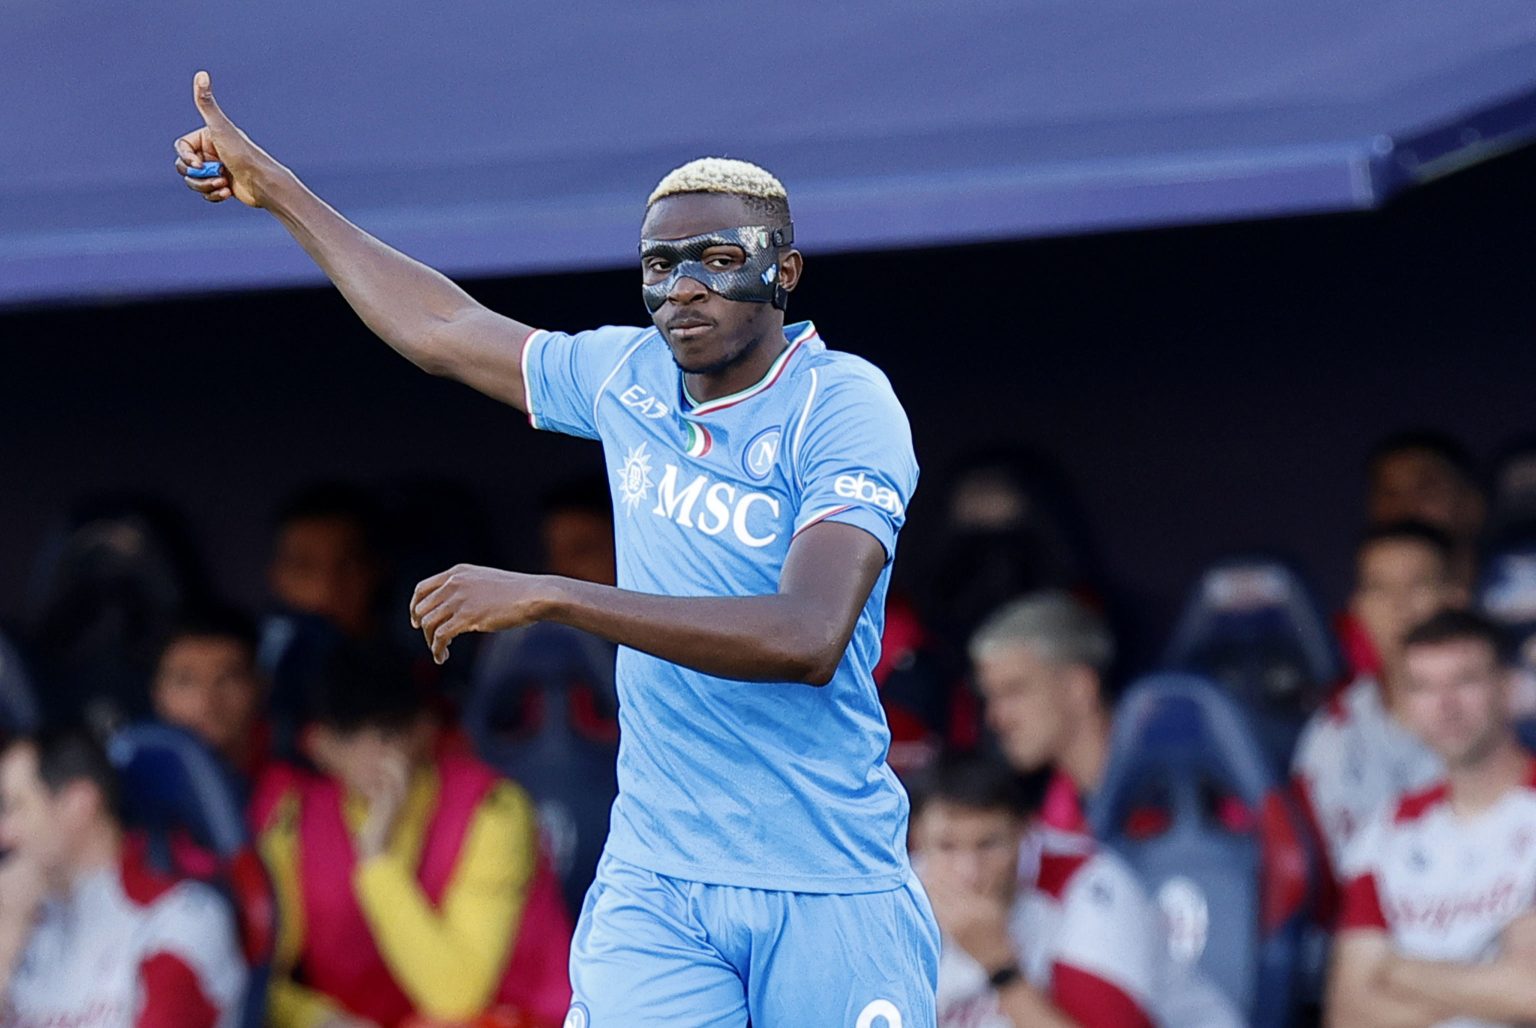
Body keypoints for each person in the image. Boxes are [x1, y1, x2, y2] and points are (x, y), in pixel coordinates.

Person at [177, 73, 936, 1026]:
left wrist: (557, 597)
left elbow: (808, 635)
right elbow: (444, 327)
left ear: (784, 271)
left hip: (824, 876)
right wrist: (280, 191)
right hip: (660, 877)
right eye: (660, 265)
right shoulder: (629, 375)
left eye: (716, 260)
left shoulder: (843, 403)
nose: (684, 288)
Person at [257, 645, 571, 1028]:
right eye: (349, 734)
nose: (372, 754)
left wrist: (376, 861)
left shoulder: (492, 809)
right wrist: (320, 1020)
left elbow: (456, 998)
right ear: (318, 744)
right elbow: (257, 978)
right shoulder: (294, 819)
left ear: (425, 729)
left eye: (388, 733)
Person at [914, 754, 1238, 1028]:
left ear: (1024, 833)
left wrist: (999, 967)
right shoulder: (901, 898)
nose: (969, 872)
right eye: (946, 846)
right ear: (916, 840)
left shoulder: (1087, 886)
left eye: (989, 844)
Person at [1327, 609, 1536, 1027]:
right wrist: (1491, 983)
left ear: (1508, 688)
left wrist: (1400, 971)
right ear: (1405, 705)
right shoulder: (1385, 831)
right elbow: (1349, 1015)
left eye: (1465, 681)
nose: (1445, 705)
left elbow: (1530, 994)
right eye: (1422, 687)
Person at [0, 726, 246, 1026]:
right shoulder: (20, 919)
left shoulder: (177, 921)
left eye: (16, 807)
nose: (4, 833)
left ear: (79, 802)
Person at [1292, 522, 1467, 880]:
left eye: (1418, 585)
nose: (1399, 606)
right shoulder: (1329, 733)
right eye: (1380, 589)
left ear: (1455, 598)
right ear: (1358, 608)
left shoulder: (1501, 722)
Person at [968, 591, 1116, 834]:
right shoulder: (1053, 820)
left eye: (1014, 691)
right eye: (990, 697)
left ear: (1079, 687)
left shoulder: (1167, 792)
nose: (995, 719)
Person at [151, 604, 269, 782]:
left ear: (259, 686)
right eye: (185, 682)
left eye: (226, 680)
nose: (207, 703)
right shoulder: (131, 781)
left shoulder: (299, 777)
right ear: (157, 693)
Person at [269, 482, 388, 642]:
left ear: (376, 569)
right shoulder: (250, 653)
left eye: (346, 565)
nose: (326, 587)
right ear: (277, 576)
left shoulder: (416, 653)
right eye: (303, 567)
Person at [1365, 431, 1485, 589]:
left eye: (1426, 490)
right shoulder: (1356, 605)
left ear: (1472, 505)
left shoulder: (1514, 599)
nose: (1406, 507)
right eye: (1390, 493)